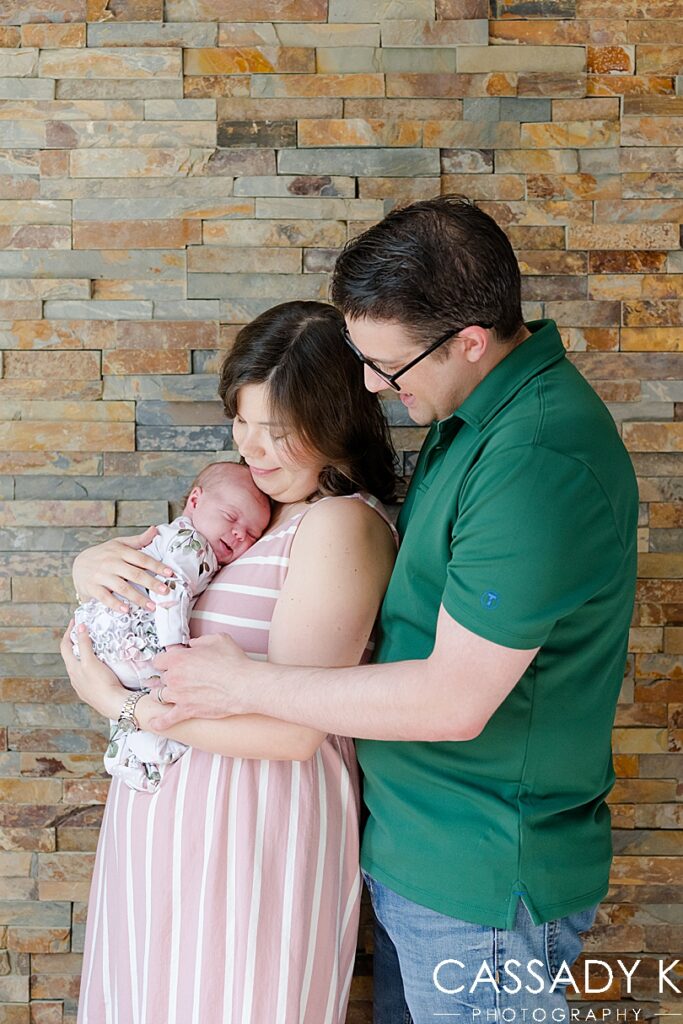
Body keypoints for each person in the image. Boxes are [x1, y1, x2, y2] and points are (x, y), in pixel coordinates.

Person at [147, 196, 640, 1024]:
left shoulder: (533, 460)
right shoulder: (467, 414)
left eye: (390, 367)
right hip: (421, 858)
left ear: (470, 341)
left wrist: (246, 683)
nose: (373, 385)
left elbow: (452, 698)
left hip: (481, 884)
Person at [59, 301, 398, 1023]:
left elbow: (294, 733)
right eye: (241, 422)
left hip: (253, 829)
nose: (251, 448)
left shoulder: (339, 525)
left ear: (337, 418)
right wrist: (97, 568)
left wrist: (121, 707)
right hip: (169, 820)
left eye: (275, 433)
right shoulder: (260, 510)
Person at [69, 461, 271, 793]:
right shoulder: (192, 545)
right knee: (173, 699)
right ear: (195, 501)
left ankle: (126, 755)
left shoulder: (169, 538)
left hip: (98, 639)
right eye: (232, 518)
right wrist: (176, 650)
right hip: (131, 638)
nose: (239, 534)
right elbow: (170, 592)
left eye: (252, 534)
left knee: (129, 702)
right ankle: (156, 749)